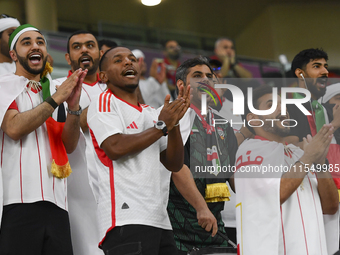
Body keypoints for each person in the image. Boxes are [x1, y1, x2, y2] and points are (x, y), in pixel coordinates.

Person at [87, 46, 190, 254]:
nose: (128, 62)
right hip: (126, 219)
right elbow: (115, 147)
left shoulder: (151, 113)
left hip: (160, 220)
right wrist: (162, 127)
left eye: (132, 59)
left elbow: (174, 163)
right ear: (103, 76)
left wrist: (175, 123)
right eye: (118, 60)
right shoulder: (103, 103)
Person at [0, 24, 86, 255]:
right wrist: (57, 99)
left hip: (58, 204)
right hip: (17, 203)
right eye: (26, 43)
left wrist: (74, 107)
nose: (35, 46)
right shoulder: (4, 86)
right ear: (13, 55)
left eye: (39, 42)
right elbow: (14, 128)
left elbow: (69, 145)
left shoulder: (53, 90)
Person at [235, 85, 339, 255]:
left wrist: (319, 163)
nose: (282, 109)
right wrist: (308, 159)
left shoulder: (299, 152)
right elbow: (274, 195)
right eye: (271, 105)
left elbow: (330, 206)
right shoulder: (249, 151)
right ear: (253, 119)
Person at [167, 56, 239, 254]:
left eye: (210, 76)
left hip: (215, 224)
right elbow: (176, 167)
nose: (206, 80)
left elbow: (233, 172)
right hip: (178, 222)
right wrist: (201, 208)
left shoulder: (223, 124)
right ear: (182, 84)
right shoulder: (174, 117)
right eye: (198, 76)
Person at [54, 30, 105, 255]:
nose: (84, 50)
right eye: (77, 47)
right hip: (78, 189)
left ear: (100, 53)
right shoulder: (58, 87)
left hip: (116, 187)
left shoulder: (114, 88)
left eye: (90, 45)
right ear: (68, 58)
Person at [286, 48, 340, 254]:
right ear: (300, 73)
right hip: (306, 193)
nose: (324, 71)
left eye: (325, 66)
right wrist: (334, 125)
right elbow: (288, 146)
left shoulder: (327, 109)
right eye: (316, 66)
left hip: (333, 189)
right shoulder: (288, 105)